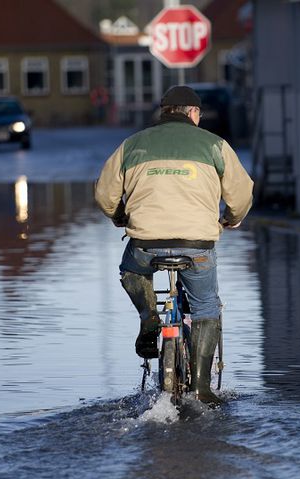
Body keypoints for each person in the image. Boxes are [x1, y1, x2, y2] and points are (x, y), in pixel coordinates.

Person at [94, 85, 253, 405]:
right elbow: (242, 192)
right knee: (206, 305)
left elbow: (104, 194)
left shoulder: (132, 144)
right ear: (194, 113)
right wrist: (232, 218)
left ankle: (150, 318)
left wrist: (118, 215)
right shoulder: (215, 145)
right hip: (197, 244)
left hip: (147, 244)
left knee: (131, 271)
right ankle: (204, 388)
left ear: (163, 113)